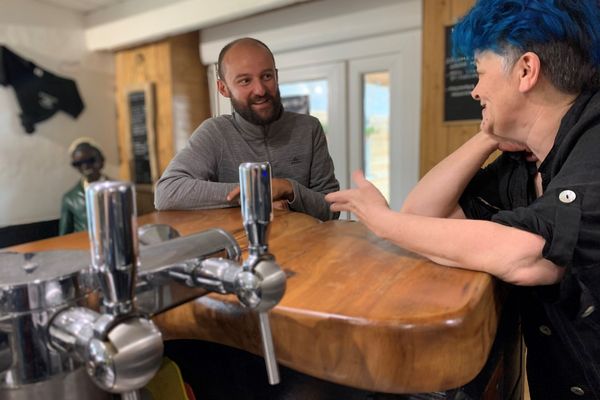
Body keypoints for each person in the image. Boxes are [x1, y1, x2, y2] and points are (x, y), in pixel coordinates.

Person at [326, 0, 600, 399]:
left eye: (480, 73)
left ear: (526, 70)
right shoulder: (524, 162)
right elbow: (422, 214)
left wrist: (380, 220)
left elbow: (532, 257)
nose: (474, 90)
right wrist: (488, 135)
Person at [154, 37, 339, 221]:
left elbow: (331, 209)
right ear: (223, 88)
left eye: (266, 76)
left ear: (276, 76)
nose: (260, 90)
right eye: (245, 81)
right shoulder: (215, 132)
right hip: (241, 249)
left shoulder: (309, 129)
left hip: (307, 247)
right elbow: (166, 193)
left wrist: (288, 188)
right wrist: (258, 192)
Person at [59, 138, 107, 235]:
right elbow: (63, 237)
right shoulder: (70, 198)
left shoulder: (120, 190)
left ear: (102, 160)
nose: (85, 166)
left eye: (91, 160)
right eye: (78, 163)